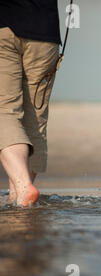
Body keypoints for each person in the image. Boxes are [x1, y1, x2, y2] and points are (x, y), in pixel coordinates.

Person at [0, 0, 61, 207]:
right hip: (45, 32)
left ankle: (22, 187)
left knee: (4, 111)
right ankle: (17, 195)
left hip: (4, 26)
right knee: (36, 118)